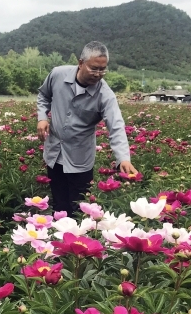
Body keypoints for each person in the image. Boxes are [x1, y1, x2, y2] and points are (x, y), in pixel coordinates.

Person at [37, 41, 138, 215]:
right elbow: (43, 95)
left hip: (79, 159)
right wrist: (42, 117)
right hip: (54, 153)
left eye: (102, 69)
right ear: (81, 62)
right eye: (94, 68)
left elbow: (116, 126)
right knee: (59, 204)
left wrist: (123, 158)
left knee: (79, 208)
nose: (98, 74)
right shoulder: (58, 74)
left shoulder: (105, 96)